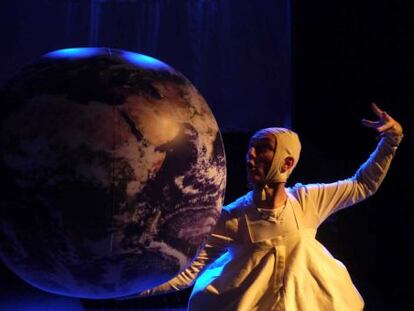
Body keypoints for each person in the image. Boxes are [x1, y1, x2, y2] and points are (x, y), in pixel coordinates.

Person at [132, 103, 403, 310]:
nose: (250, 157)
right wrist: (128, 287)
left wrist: (390, 141)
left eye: (262, 149)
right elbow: (191, 270)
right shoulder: (233, 217)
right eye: (250, 149)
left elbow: (361, 185)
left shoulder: (307, 201)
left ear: (286, 163)